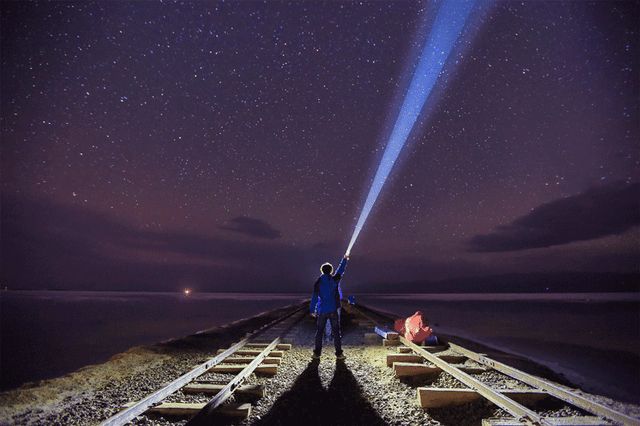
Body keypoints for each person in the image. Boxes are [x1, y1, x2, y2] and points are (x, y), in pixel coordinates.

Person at [310, 254, 348, 359]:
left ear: (322, 271)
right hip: (333, 310)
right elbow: (341, 270)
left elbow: (314, 298)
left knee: (319, 332)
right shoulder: (335, 280)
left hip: (322, 311)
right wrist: (345, 259)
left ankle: (316, 354)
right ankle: (339, 354)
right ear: (331, 271)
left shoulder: (318, 282)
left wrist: (312, 310)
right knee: (336, 332)